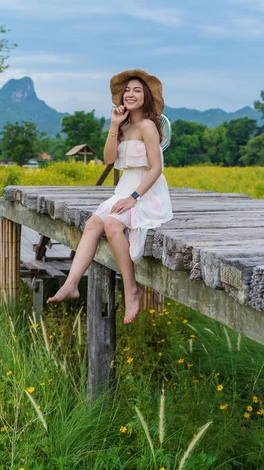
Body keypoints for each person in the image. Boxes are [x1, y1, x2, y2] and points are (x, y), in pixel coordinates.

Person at [47, 69, 173, 323]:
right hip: (125, 188)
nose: (130, 94)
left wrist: (134, 197)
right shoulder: (123, 126)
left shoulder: (148, 126)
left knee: (113, 224)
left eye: (137, 90)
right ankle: (71, 283)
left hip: (147, 190)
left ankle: (131, 290)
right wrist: (114, 126)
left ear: (146, 96)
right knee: (93, 223)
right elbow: (108, 159)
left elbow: (157, 168)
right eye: (127, 90)